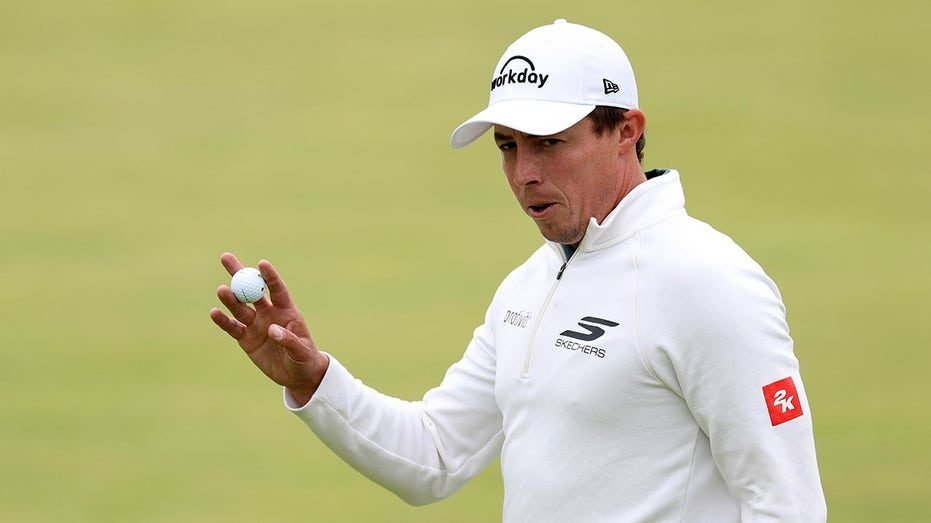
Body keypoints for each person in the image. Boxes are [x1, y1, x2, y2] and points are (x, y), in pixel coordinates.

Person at [210, 19, 827, 522]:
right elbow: (436, 457)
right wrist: (316, 380)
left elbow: (788, 506)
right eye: (508, 146)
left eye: (548, 142)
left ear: (625, 131)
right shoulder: (529, 287)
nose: (524, 173)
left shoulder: (709, 282)